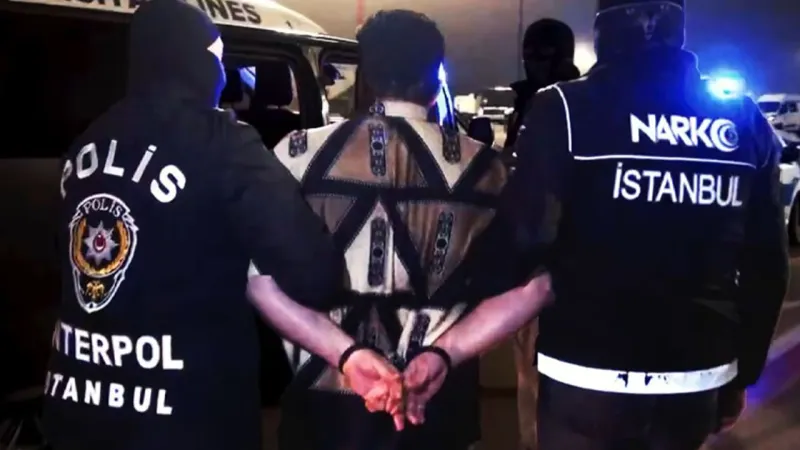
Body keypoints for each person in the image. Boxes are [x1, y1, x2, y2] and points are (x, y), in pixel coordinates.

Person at [43, 1, 363, 449]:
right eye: (217, 58)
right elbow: (315, 277)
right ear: (200, 61)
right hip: (185, 420)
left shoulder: (86, 143)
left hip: (75, 411)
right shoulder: (222, 142)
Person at [245, 9, 551, 450]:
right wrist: (446, 353)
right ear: (435, 77)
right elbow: (536, 287)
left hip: (325, 409)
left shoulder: (296, 155)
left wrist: (347, 356)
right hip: (438, 403)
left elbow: (260, 283)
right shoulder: (488, 170)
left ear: (366, 75)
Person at [501, 0, 788, 448]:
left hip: (587, 369)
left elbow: (524, 238)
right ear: (679, 30)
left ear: (603, 31)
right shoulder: (743, 119)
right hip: (695, 373)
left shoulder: (566, 107)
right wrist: (742, 372)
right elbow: (767, 266)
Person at [503, 18, 580, 151]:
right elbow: (514, 152)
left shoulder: (576, 105)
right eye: (528, 55)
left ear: (563, 59)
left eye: (542, 55)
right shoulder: (524, 100)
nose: (533, 64)